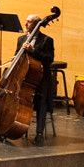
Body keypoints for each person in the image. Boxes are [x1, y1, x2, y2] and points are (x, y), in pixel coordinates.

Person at [17, 13, 55, 145]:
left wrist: (33, 50)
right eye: (26, 21)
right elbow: (18, 56)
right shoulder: (21, 39)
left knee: (41, 103)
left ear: (37, 24)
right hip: (24, 77)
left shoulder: (46, 40)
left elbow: (49, 59)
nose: (26, 24)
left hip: (41, 78)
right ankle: (11, 127)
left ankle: (39, 134)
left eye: (29, 22)